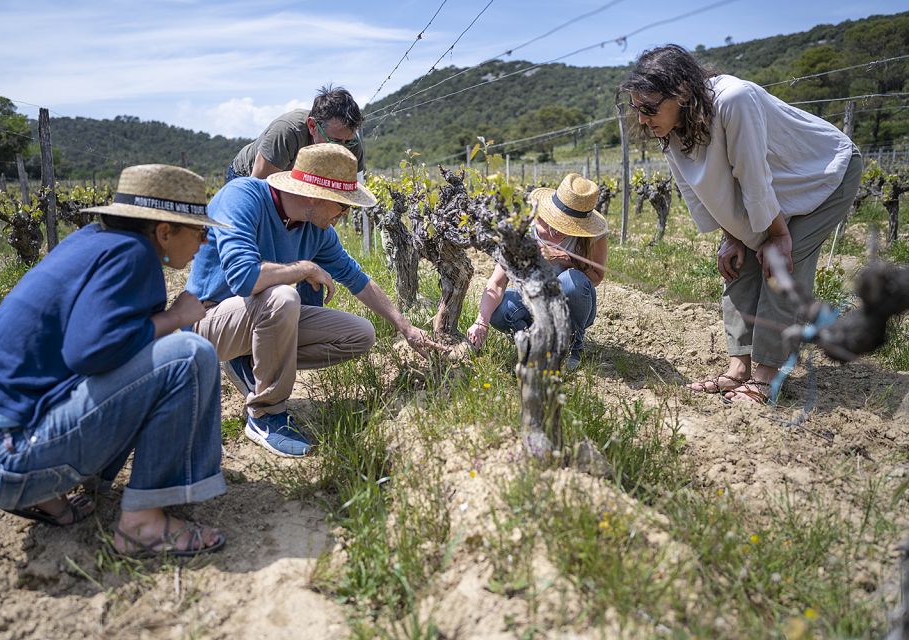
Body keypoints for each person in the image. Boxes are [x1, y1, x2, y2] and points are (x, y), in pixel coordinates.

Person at [0, 164, 229, 558]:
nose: (204, 243)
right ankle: (144, 525)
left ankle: (52, 498)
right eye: (201, 231)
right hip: (1, 456)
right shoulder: (134, 254)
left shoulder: (90, 241)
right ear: (165, 231)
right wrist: (176, 318)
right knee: (188, 355)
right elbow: (92, 352)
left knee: (144, 352)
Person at [619, 44, 862, 404]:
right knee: (739, 266)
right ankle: (738, 370)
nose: (642, 119)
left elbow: (753, 175)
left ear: (682, 93)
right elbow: (698, 190)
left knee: (778, 267)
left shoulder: (734, 99)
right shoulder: (669, 130)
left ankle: (766, 379)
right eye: (638, 109)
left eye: (650, 108)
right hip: (773, 193)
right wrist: (732, 236)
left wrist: (778, 235)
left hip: (823, 174)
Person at [188, 143, 444, 458]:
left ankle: (254, 361)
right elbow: (243, 279)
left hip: (258, 319)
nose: (346, 214)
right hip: (207, 323)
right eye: (343, 205)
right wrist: (305, 268)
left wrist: (406, 328)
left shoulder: (317, 231)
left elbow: (358, 280)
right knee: (283, 296)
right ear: (314, 195)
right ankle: (266, 415)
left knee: (360, 334)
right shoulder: (242, 197)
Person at [467, 174, 609, 370]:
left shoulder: (593, 237)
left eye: (571, 225)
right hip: (532, 302)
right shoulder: (526, 231)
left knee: (572, 280)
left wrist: (566, 261)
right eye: (560, 221)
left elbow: (596, 278)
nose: (559, 230)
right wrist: (481, 322)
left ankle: (572, 342)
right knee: (500, 310)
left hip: (571, 305)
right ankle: (532, 341)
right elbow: (497, 283)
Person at [226, 85, 365, 183]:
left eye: (348, 142)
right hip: (247, 176)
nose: (342, 149)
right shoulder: (287, 132)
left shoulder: (351, 143)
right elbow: (258, 186)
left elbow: (351, 194)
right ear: (312, 126)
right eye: (335, 141)